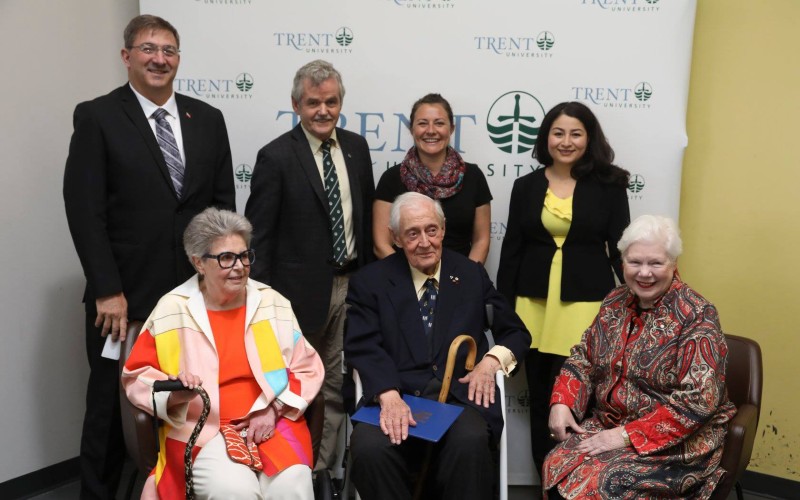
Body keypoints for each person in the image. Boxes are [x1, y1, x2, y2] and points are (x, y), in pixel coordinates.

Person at [63, 14, 235, 499]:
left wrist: (220, 280)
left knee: (186, 402)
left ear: (179, 59)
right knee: (110, 409)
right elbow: (84, 211)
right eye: (148, 49)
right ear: (127, 57)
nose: (160, 59)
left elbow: (222, 209)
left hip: (191, 298)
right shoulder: (97, 117)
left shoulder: (208, 119)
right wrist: (106, 289)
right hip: (123, 300)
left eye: (169, 51)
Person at [122, 208, 324, 499]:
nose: (240, 267)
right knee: (235, 491)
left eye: (244, 256)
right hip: (204, 430)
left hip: (273, 424)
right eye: (226, 258)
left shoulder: (272, 303)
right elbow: (137, 378)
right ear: (198, 263)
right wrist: (177, 391)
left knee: (293, 488)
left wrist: (274, 409)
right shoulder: (172, 309)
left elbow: (308, 368)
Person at [344, 192, 530, 500]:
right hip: (396, 394)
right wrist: (388, 395)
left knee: (469, 441)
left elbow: (515, 332)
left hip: (459, 399)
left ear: (443, 229)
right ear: (396, 238)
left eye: (431, 230)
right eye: (412, 234)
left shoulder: (470, 274)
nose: (425, 242)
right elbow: (362, 345)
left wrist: (490, 362)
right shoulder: (371, 280)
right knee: (369, 447)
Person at [543, 215, 737, 499]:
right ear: (622, 263)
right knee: (556, 461)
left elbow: (698, 401)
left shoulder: (697, 315)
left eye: (656, 263)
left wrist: (623, 436)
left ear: (673, 265)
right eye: (635, 262)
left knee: (601, 483)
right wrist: (562, 401)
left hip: (678, 442)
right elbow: (584, 357)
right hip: (610, 423)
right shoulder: (614, 301)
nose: (644, 273)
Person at [244, 59, 375, 471]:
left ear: (341, 103)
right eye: (313, 102)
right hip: (295, 295)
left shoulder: (357, 147)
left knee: (338, 383)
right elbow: (259, 236)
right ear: (296, 105)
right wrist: (261, 300)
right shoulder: (276, 156)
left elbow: (366, 217)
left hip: (352, 285)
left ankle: (322, 470)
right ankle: (288, 466)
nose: (323, 110)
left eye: (331, 102)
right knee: (293, 384)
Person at [496, 101, 629, 476]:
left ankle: (579, 481)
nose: (566, 141)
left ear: (589, 138)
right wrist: (502, 311)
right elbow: (512, 252)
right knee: (540, 401)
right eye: (558, 133)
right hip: (533, 307)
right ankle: (547, 480)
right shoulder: (525, 186)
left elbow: (621, 249)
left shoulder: (610, 185)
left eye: (575, 133)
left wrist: (648, 300)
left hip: (585, 306)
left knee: (577, 401)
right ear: (546, 138)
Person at [373, 93, 492, 263]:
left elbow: (481, 241)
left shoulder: (473, 176)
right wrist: (410, 280)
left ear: (451, 129)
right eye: (422, 123)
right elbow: (381, 244)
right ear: (412, 129)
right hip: (404, 283)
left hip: (460, 281)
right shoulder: (391, 178)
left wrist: (465, 279)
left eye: (439, 123)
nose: (430, 130)